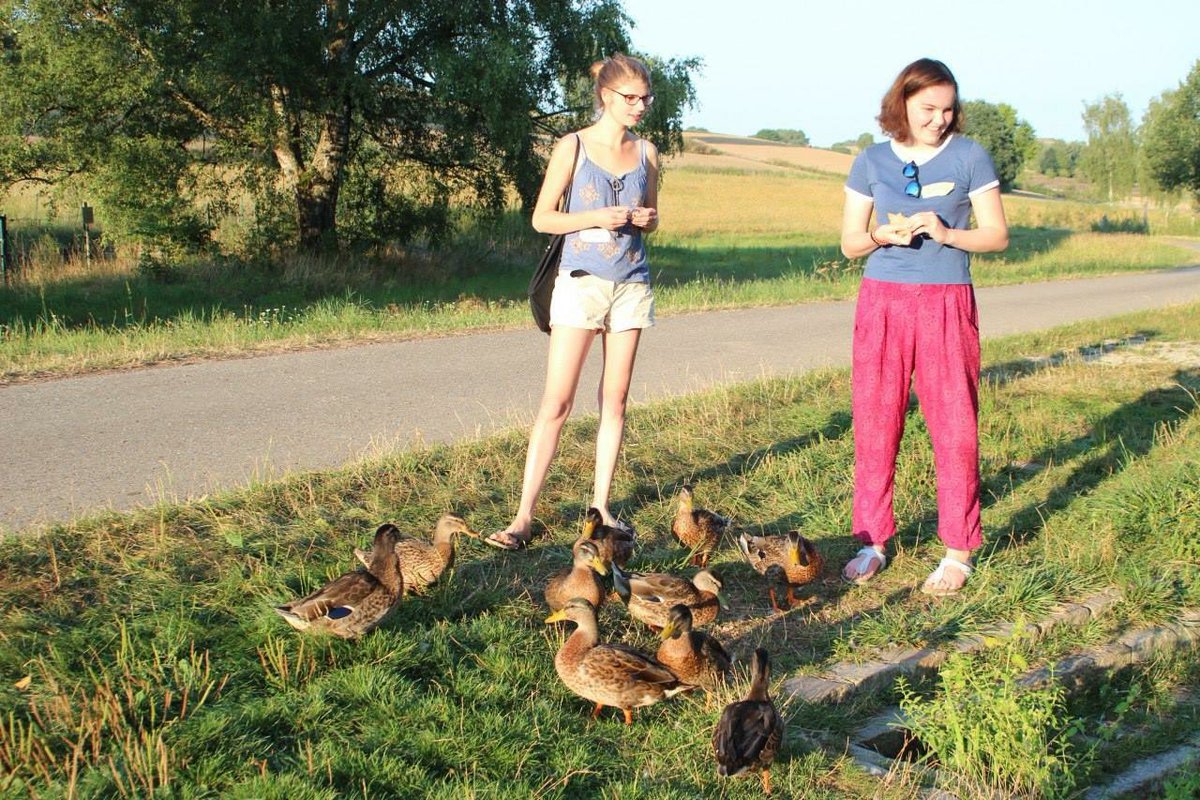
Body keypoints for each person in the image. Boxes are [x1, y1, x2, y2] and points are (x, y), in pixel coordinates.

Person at [838, 58, 1009, 595]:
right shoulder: (870, 161)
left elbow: (997, 235)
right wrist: (881, 238)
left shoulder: (969, 157)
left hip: (945, 300)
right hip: (881, 300)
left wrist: (946, 232)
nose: (939, 119)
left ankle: (958, 549)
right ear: (902, 105)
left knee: (954, 425)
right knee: (875, 420)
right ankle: (872, 539)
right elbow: (850, 242)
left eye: (947, 108)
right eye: (927, 109)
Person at [487, 53, 659, 550]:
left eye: (645, 98)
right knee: (557, 402)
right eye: (632, 98)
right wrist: (594, 218)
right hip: (581, 282)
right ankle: (523, 518)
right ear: (606, 96)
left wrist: (645, 220)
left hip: (631, 284)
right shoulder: (573, 146)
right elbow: (542, 218)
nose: (640, 106)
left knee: (615, 400)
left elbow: (655, 217)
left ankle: (601, 506)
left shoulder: (647, 152)